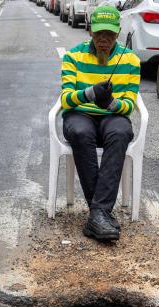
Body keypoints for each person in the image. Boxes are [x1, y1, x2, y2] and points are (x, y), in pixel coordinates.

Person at [60, 4, 140, 242]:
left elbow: (130, 104)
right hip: (79, 114)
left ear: (117, 34)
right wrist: (90, 94)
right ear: (90, 32)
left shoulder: (131, 60)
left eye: (109, 34)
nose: (103, 40)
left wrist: (112, 104)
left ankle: (97, 215)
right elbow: (66, 101)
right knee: (80, 133)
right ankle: (102, 214)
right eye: (98, 34)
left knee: (121, 132)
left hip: (111, 116)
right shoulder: (73, 56)